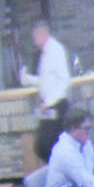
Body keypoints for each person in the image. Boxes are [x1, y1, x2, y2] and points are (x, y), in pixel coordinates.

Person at [19, 19, 72, 162]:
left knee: (45, 145)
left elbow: (64, 79)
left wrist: (49, 101)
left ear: (43, 34)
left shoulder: (55, 51)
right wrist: (27, 79)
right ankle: (59, 172)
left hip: (57, 105)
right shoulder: (45, 53)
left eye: (35, 37)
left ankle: (61, 172)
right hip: (49, 107)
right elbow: (46, 80)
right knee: (44, 146)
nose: (35, 41)